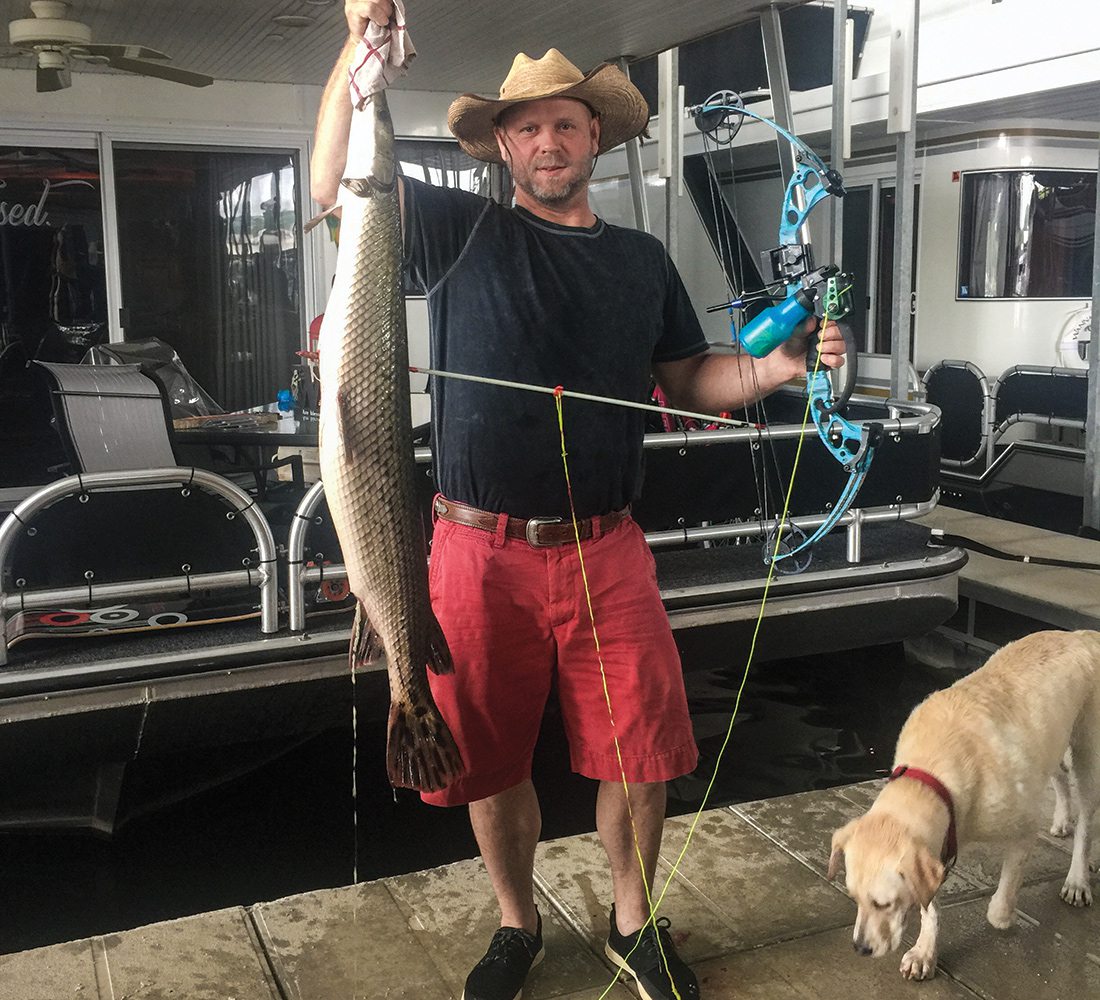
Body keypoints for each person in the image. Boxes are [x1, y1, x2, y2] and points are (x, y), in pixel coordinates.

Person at [313, 4, 847, 999]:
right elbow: (335, 181)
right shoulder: (457, 228)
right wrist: (358, 54)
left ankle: (632, 920)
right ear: (501, 146)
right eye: (527, 126)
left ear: (595, 134)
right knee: (482, 754)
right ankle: (515, 923)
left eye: (565, 122)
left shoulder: (639, 261)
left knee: (641, 749)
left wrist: (775, 370)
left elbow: (688, 380)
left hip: (606, 548)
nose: (546, 139)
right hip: (473, 548)